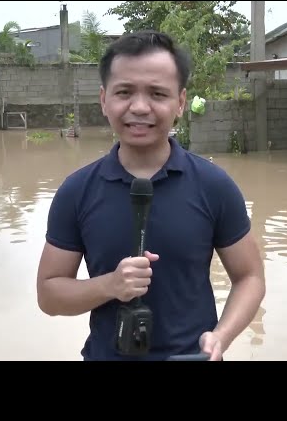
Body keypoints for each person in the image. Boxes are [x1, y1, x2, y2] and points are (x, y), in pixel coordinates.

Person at [36, 30, 265, 361]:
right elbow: (49, 293)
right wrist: (110, 285)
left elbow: (250, 277)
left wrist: (221, 337)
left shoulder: (214, 185)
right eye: (124, 92)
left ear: (180, 103)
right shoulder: (77, 191)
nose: (140, 107)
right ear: (104, 100)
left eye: (158, 94)